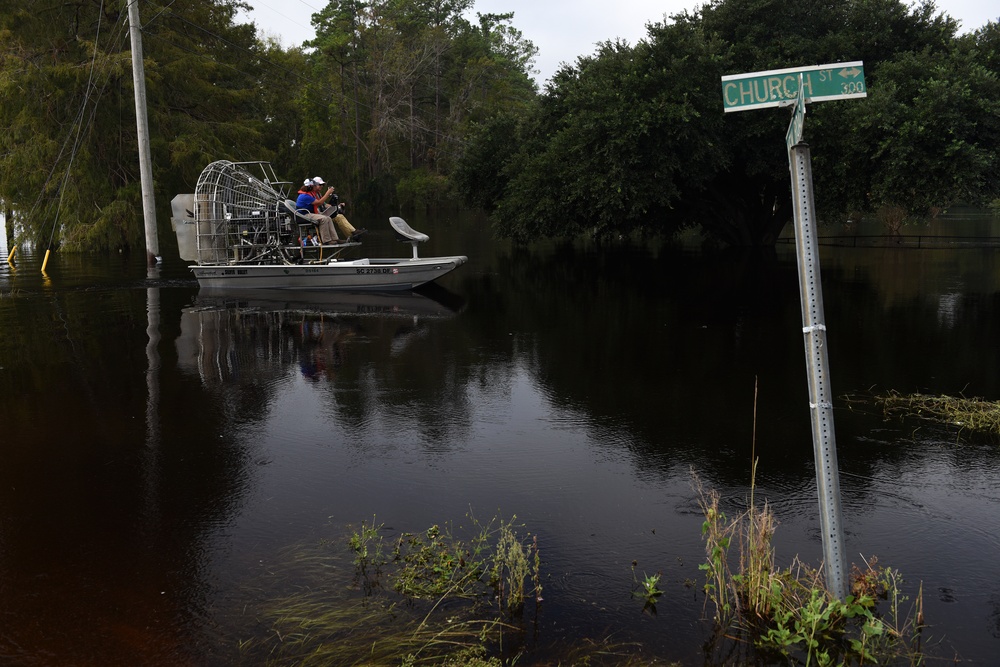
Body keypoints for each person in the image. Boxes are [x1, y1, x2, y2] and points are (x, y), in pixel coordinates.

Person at [311, 176, 367, 241]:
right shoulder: (312, 194)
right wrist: (327, 193)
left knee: (340, 216)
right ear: (314, 185)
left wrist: (338, 206)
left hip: (322, 214)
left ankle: (354, 234)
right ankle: (353, 234)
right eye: (320, 185)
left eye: (322, 185)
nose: (321, 186)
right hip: (317, 215)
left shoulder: (318, 194)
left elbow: (325, 205)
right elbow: (319, 203)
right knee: (339, 217)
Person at [295, 178, 340, 244]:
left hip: (308, 213)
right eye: (314, 186)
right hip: (304, 215)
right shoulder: (305, 196)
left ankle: (335, 239)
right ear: (310, 187)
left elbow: (321, 203)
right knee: (324, 219)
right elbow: (319, 202)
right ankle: (326, 241)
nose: (315, 187)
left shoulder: (309, 194)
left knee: (328, 218)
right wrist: (327, 193)